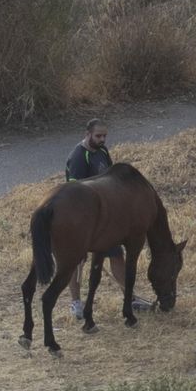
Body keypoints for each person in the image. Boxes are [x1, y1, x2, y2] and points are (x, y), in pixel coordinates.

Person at [64, 119, 149, 318]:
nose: (102, 140)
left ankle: (129, 297)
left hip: (105, 219)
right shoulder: (78, 157)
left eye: (104, 136)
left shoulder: (102, 152)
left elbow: (111, 180)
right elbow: (74, 192)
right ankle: (76, 304)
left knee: (116, 256)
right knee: (78, 261)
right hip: (84, 220)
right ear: (87, 134)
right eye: (98, 136)